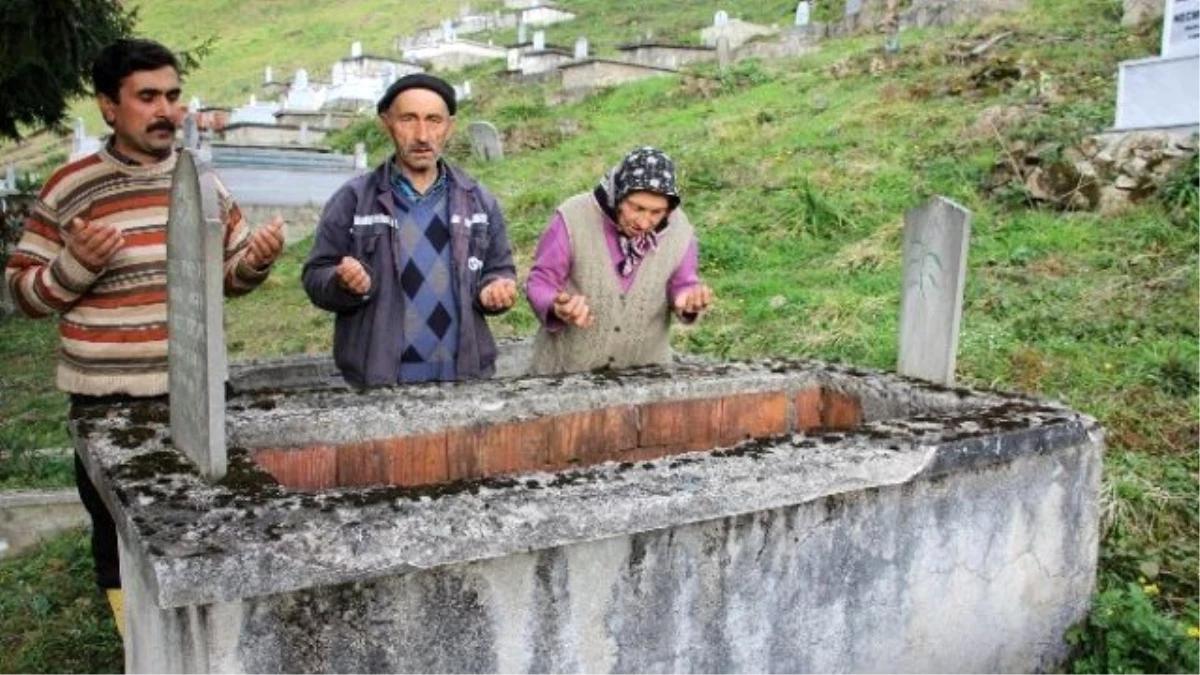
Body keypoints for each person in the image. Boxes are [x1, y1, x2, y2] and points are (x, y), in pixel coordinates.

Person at [3, 38, 286, 636]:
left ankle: (207, 644)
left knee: (210, 525)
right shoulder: (70, 188)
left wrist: (255, 261)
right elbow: (21, 294)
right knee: (118, 538)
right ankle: (141, 648)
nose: (167, 111)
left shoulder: (204, 184)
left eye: (174, 96)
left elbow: (229, 280)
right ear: (109, 107)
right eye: (148, 97)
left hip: (197, 389)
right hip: (106, 400)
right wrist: (73, 265)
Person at [302, 73, 517, 386]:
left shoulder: (478, 201)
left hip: (464, 381)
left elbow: (500, 270)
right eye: (408, 119)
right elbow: (314, 276)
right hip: (378, 384)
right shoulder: (354, 199)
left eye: (434, 120)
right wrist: (341, 282)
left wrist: (495, 290)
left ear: (449, 126)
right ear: (386, 123)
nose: (422, 135)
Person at [525, 146, 713, 375]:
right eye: (637, 208)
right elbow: (541, 281)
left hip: (646, 378)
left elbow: (682, 282)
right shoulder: (573, 217)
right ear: (619, 194)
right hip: (567, 375)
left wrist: (687, 299)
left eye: (657, 212)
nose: (644, 223)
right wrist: (556, 305)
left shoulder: (680, 230)